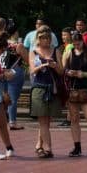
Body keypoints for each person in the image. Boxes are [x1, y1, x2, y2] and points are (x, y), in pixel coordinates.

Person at [29, 25, 63, 158]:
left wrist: (55, 66)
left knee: (47, 121)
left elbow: (61, 71)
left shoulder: (56, 51)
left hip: (52, 88)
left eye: (48, 38)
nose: (46, 40)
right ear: (38, 38)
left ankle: (39, 145)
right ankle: (48, 148)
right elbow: (32, 70)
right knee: (42, 120)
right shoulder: (34, 52)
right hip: (39, 88)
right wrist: (43, 65)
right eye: (43, 38)